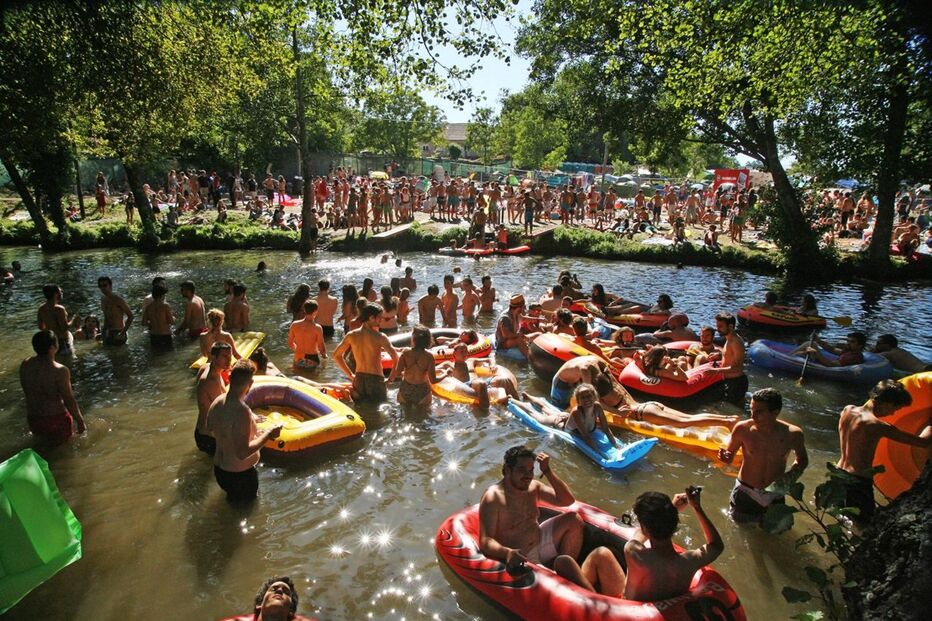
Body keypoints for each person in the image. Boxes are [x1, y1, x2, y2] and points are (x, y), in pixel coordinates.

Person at [479, 446, 625, 596]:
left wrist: (547, 471)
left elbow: (567, 500)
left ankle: (563, 574)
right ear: (507, 470)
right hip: (521, 556)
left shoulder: (533, 487)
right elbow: (485, 541)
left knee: (573, 519)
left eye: (531, 470)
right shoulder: (493, 498)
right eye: (522, 470)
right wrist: (507, 553)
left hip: (539, 541)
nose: (528, 475)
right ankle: (568, 580)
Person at [836, 380, 931, 525]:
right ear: (886, 402)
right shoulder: (876, 425)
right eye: (895, 408)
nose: (892, 413)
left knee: (840, 520)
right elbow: (923, 442)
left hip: (837, 475)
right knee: (865, 528)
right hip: (857, 484)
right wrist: (930, 421)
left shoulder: (847, 410)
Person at [719, 388, 809, 523]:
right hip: (745, 491)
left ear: (775, 412)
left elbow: (802, 460)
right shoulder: (743, 429)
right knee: (741, 530)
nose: (753, 416)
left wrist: (789, 477)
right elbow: (729, 455)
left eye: (759, 412)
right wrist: (725, 457)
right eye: (751, 410)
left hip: (775, 493)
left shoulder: (793, 434)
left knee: (774, 536)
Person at [622, 486, 724, 602]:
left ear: (644, 526)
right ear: (675, 524)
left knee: (602, 555)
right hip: (669, 611)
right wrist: (696, 507)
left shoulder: (634, 553)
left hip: (632, 610)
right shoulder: (690, 561)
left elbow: (640, 535)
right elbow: (717, 546)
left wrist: (673, 508)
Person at [206, 360, 282, 502]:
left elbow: (210, 430)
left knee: (231, 505)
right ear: (251, 383)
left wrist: (251, 431)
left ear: (229, 378)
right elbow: (242, 453)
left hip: (220, 471)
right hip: (240, 476)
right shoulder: (242, 412)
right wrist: (268, 434)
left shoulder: (217, 402)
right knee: (247, 511)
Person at [513, 384, 619, 458]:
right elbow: (586, 436)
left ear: (595, 397)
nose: (587, 400)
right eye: (583, 398)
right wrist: (599, 454)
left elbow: (605, 428)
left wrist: (615, 445)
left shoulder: (597, 406)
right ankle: (514, 401)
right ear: (578, 401)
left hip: (568, 417)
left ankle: (529, 397)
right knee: (538, 416)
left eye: (589, 396)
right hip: (560, 423)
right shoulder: (577, 411)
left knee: (546, 409)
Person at [20, 330, 86, 445]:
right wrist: (80, 421)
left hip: (34, 418)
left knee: (42, 448)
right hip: (56, 418)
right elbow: (68, 399)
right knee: (65, 452)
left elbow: (26, 390)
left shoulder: (25, 364)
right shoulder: (60, 370)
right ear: (52, 347)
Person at [332, 303, 398, 402]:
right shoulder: (380, 337)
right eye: (379, 317)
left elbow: (336, 356)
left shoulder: (351, 335)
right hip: (376, 379)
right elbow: (395, 357)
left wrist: (350, 375)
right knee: (378, 412)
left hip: (358, 378)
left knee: (360, 411)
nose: (381, 320)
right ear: (371, 317)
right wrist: (391, 378)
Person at [386, 325, 440, 407]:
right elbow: (433, 380)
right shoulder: (429, 357)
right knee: (422, 416)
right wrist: (446, 374)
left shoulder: (405, 353)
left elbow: (397, 373)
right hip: (422, 391)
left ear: (414, 339)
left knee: (405, 415)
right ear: (428, 340)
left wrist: (390, 379)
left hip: (406, 389)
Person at [195, 342, 232, 455]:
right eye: (224, 356)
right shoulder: (211, 381)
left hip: (202, 432)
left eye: (230, 356)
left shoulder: (207, 368)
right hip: (209, 437)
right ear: (214, 357)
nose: (229, 360)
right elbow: (225, 411)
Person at [550, 355, 614, 408]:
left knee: (575, 405)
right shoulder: (585, 371)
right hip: (562, 382)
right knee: (558, 407)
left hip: (575, 379)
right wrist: (618, 412)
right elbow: (592, 398)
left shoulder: (599, 362)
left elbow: (613, 381)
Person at [712, 312, 747, 404]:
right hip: (729, 380)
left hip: (736, 382)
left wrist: (715, 371)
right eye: (717, 326)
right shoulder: (729, 339)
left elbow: (737, 367)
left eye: (720, 326)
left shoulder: (735, 342)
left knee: (734, 409)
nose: (717, 329)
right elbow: (730, 356)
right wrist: (719, 355)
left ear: (730, 327)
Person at [37, 284, 78, 356]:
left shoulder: (41, 308)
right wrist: (73, 320)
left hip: (50, 342)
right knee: (68, 364)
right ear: (55, 294)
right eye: (60, 291)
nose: (61, 293)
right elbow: (64, 328)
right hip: (62, 342)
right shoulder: (59, 309)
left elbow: (41, 327)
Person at [792, 331, 867, 367]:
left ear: (860, 345)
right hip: (829, 364)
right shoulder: (850, 351)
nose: (848, 343)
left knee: (811, 344)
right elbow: (833, 350)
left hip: (828, 368)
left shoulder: (853, 357)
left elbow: (830, 364)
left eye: (852, 342)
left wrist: (815, 352)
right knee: (805, 351)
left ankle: (787, 357)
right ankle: (791, 356)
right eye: (848, 341)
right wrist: (818, 340)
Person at [288, 300, 327, 369]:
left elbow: (290, 343)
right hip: (312, 358)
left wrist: (298, 350)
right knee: (313, 378)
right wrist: (324, 356)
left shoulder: (294, 324)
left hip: (298, 357)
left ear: (304, 310)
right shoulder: (317, 328)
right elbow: (321, 346)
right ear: (315, 311)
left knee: (297, 376)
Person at [97, 276, 133, 346]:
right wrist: (103, 332)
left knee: (118, 355)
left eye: (104, 285)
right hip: (108, 331)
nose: (102, 288)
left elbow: (131, 316)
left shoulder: (118, 299)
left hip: (119, 331)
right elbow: (106, 317)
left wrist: (122, 333)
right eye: (100, 286)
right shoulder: (103, 299)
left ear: (110, 286)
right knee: (108, 354)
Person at [141, 283, 174, 348]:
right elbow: (171, 322)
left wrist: (151, 323)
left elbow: (143, 323)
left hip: (154, 336)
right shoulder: (165, 306)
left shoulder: (148, 307)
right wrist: (173, 317)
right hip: (165, 335)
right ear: (161, 295)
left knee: (156, 354)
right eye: (164, 294)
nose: (165, 296)